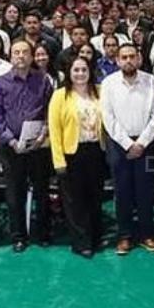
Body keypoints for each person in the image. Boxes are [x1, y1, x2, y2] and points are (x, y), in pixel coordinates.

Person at [0, 39, 54, 253]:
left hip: (38, 145)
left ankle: (43, 233)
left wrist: (43, 134)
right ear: (10, 56)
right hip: (12, 147)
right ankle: (18, 236)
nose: (20, 56)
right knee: (14, 193)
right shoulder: (0, 83)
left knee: (42, 191)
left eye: (25, 52)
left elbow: (49, 110)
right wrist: (11, 140)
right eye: (16, 52)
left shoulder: (43, 80)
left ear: (32, 56)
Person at [101, 44, 154, 255]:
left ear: (138, 59)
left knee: (146, 191)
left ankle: (147, 234)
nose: (128, 60)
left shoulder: (151, 81)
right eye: (124, 57)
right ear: (118, 60)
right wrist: (128, 144)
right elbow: (108, 117)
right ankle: (124, 236)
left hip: (146, 142)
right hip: (119, 144)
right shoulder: (108, 83)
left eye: (132, 56)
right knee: (122, 191)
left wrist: (142, 143)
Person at [48, 56, 105, 258]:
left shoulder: (100, 92)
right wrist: (58, 161)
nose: (80, 74)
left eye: (84, 70)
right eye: (76, 70)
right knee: (75, 200)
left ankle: (96, 236)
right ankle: (81, 242)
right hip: (72, 153)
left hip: (96, 151)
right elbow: (54, 130)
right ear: (69, 73)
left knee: (95, 196)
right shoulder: (60, 96)